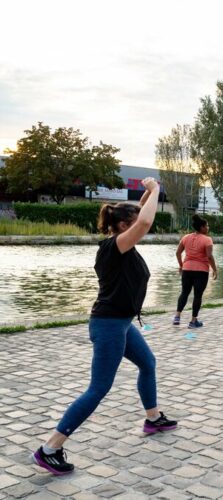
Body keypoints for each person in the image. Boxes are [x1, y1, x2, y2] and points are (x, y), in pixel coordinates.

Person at [33, 177, 178, 476]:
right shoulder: (115, 247)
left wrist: (144, 197)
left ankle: (153, 417)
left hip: (121, 324)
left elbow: (141, 215)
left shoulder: (123, 243)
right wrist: (153, 190)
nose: (141, 225)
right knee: (98, 388)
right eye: (134, 222)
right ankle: (50, 448)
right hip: (108, 325)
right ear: (124, 226)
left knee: (147, 363)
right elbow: (146, 220)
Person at [173, 214, 218, 328]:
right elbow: (209, 256)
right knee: (198, 295)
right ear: (202, 227)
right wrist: (214, 269)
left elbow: (178, 253)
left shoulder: (186, 237)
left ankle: (177, 317)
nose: (208, 228)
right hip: (201, 271)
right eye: (207, 226)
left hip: (187, 269)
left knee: (184, 292)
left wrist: (181, 265)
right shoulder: (207, 240)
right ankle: (193, 321)